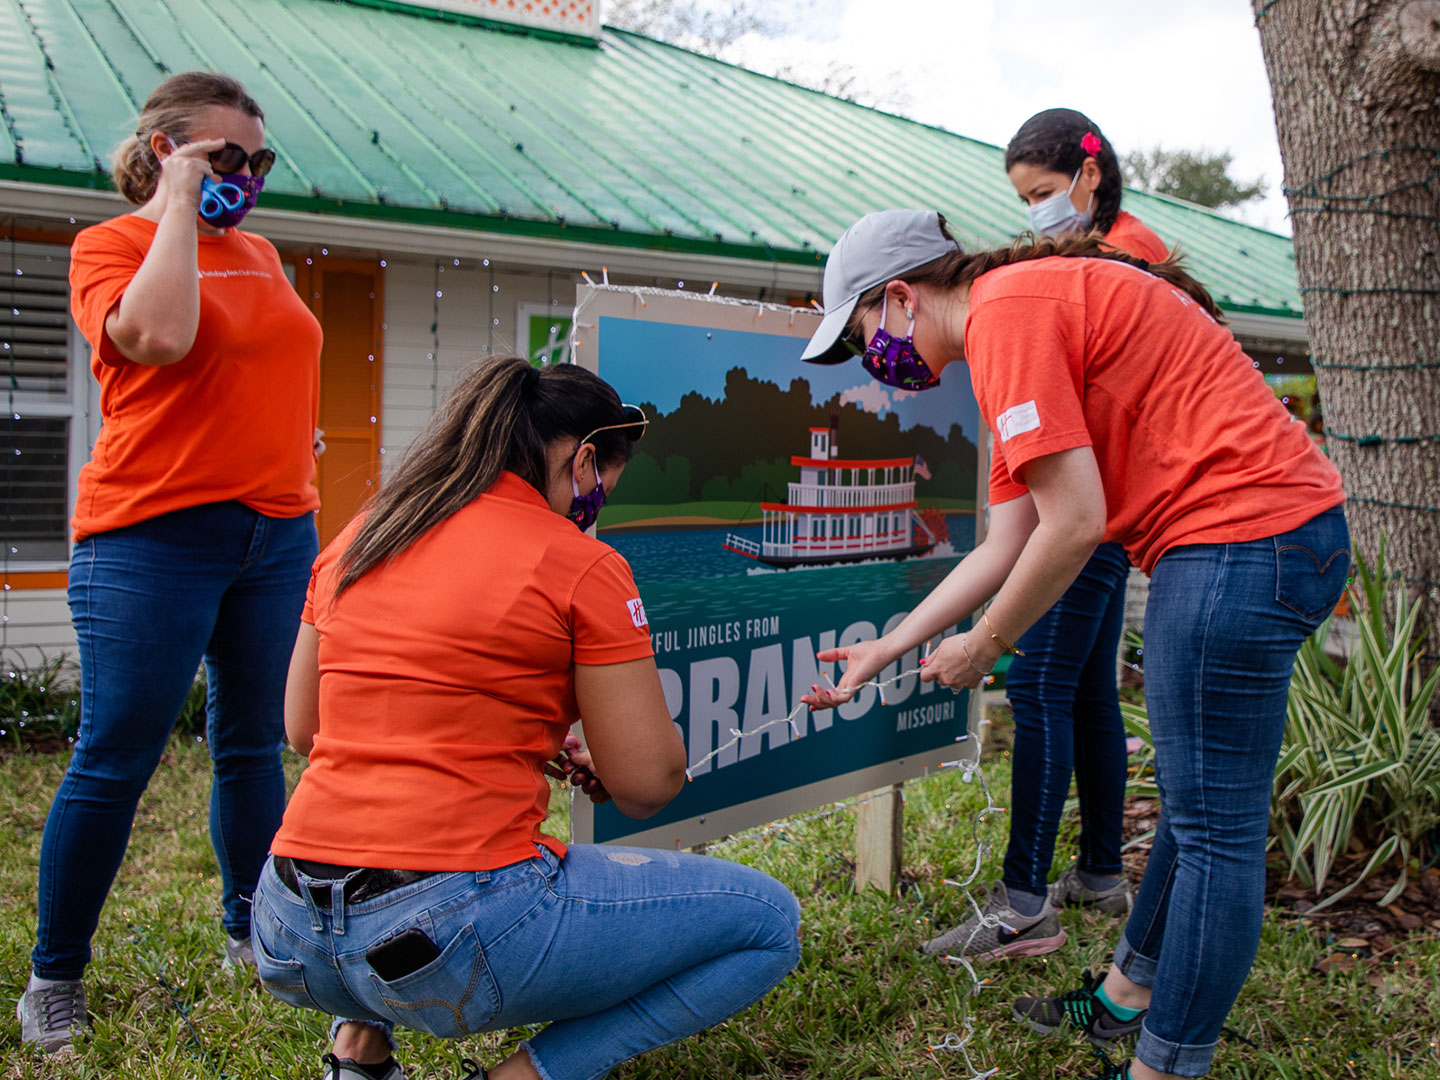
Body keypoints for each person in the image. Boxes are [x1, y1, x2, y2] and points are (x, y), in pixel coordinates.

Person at [800, 209, 1347, 1080]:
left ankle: (1164, 1066)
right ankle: (1128, 998)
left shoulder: (1008, 315)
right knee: (1204, 811)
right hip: (1271, 538)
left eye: (862, 333)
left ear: (901, 297)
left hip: (1242, 541)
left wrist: (984, 648)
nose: (871, 359)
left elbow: (1077, 524)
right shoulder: (1005, 329)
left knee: (1216, 833)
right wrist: (889, 646)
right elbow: (1003, 541)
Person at [251, 355, 801, 1080]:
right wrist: (621, 756)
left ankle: (358, 1051)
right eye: (603, 483)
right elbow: (647, 784)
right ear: (582, 459)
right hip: (444, 936)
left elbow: (305, 728)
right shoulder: (579, 563)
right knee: (768, 924)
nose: (596, 502)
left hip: (288, 929)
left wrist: (513, 734)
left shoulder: (361, 538)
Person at [19, 72, 321, 1053]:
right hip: (151, 537)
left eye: (257, 160)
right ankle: (54, 977)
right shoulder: (110, 245)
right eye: (223, 156)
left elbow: (266, 363)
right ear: (165, 151)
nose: (247, 176)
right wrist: (179, 211)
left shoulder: (264, 254)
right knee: (117, 757)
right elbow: (159, 335)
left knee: (250, 747)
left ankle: (252, 933)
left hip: (276, 535)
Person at [922, 110, 1173, 959]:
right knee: (1088, 691)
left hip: (1088, 509)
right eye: (1023, 198)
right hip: (1099, 503)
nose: (1033, 210)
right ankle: (1101, 871)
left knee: (1034, 690)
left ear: (1088, 174)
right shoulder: (1105, 247)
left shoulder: (1122, 256)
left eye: (1040, 192)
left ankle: (1023, 900)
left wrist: (987, 635)